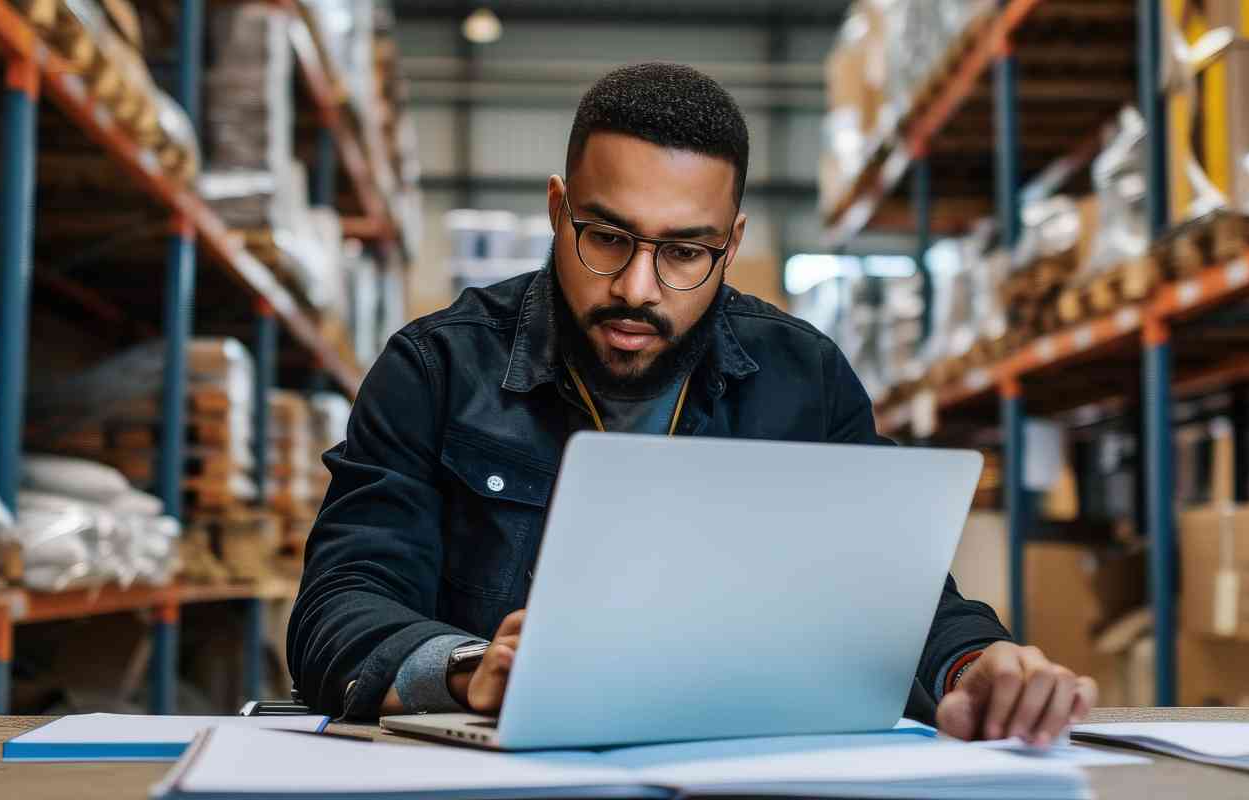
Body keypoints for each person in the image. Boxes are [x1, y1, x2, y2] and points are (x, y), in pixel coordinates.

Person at [288, 62, 1096, 746]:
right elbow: (338, 608)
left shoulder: (803, 379)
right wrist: (470, 672)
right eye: (606, 237)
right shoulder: (435, 369)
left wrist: (974, 663)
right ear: (558, 210)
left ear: (731, 245)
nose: (637, 289)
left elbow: (898, 597)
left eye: (683, 252)